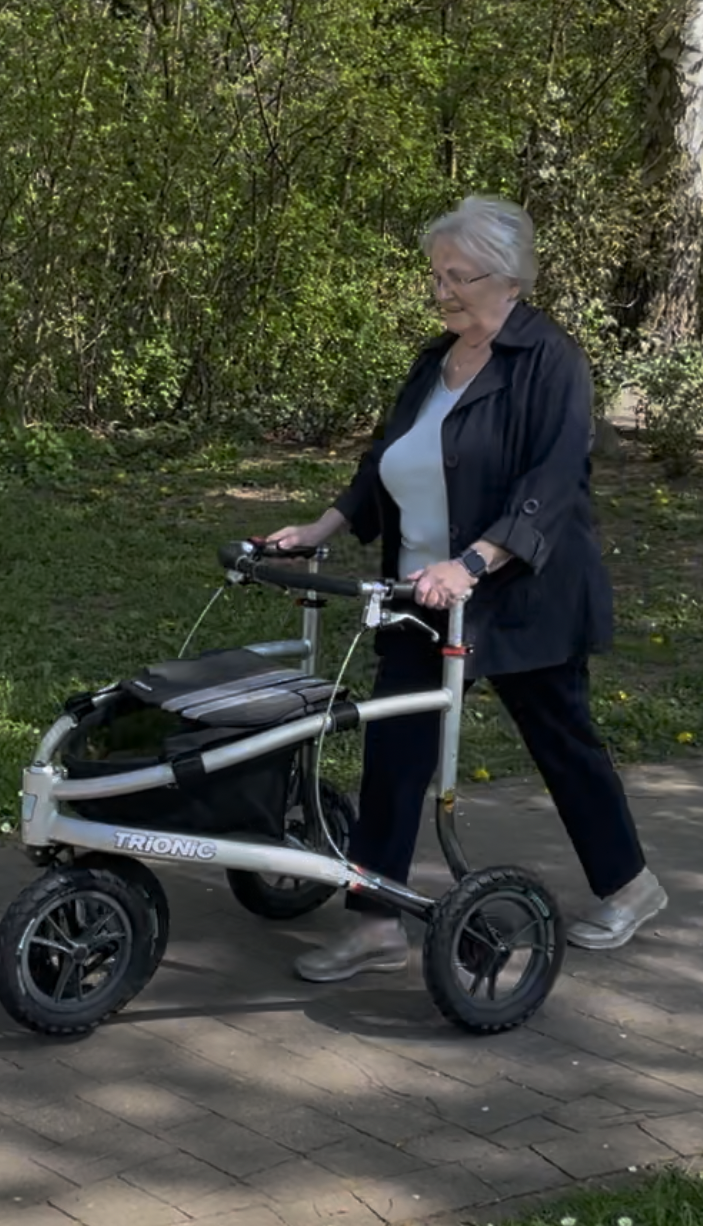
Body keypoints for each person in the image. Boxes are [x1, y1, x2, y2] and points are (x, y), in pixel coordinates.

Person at [266, 195, 666, 983]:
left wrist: (475, 563)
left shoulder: (550, 359)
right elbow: (387, 460)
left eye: (457, 276)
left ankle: (629, 886)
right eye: (436, 276)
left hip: (520, 594)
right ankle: (376, 923)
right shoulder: (434, 361)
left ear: (508, 277)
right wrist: (323, 526)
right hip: (425, 595)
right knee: (394, 749)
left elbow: (551, 482)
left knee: (561, 741)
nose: (441, 291)